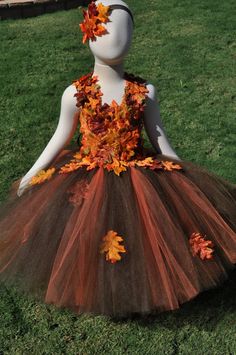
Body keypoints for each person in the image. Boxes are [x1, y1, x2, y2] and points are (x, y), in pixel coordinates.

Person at [0, 0, 235, 318]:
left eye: (124, 29)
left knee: (140, 231)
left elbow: (159, 138)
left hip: (138, 171)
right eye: (105, 27)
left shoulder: (144, 92)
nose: (115, 35)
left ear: (133, 35)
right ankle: (90, 284)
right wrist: (33, 173)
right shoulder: (76, 93)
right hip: (86, 174)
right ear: (89, 32)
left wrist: (188, 179)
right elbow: (60, 137)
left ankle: (141, 281)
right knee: (87, 232)